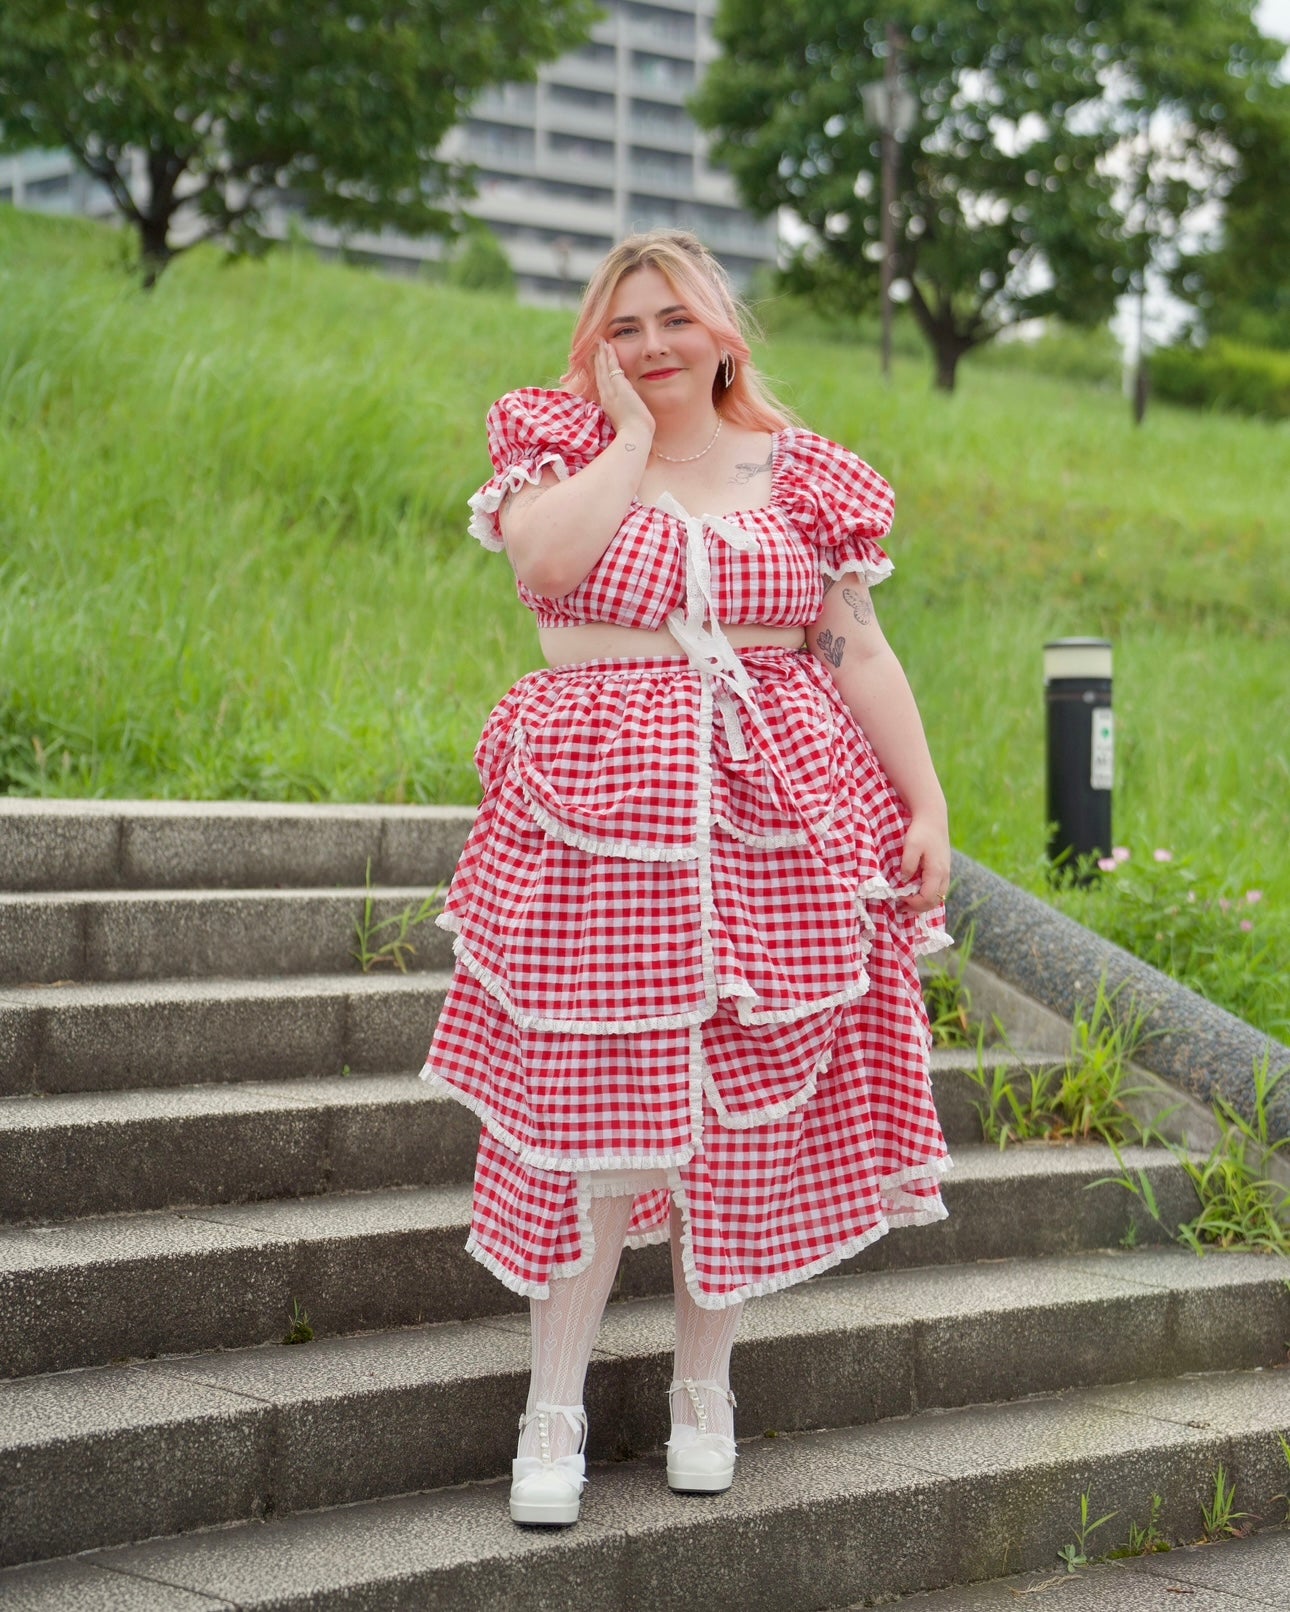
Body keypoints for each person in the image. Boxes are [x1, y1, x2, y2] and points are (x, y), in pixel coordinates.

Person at [421, 229, 952, 1527]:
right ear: (594, 341)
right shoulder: (550, 444)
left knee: (738, 1121)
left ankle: (701, 1390)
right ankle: (552, 1406)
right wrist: (619, 434)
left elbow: (855, 648)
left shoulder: (807, 473)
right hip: (604, 829)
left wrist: (927, 798)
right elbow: (544, 568)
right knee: (597, 1119)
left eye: (675, 319)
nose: (652, 343)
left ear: (723, 329)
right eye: (624, 323)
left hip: (784, 824)